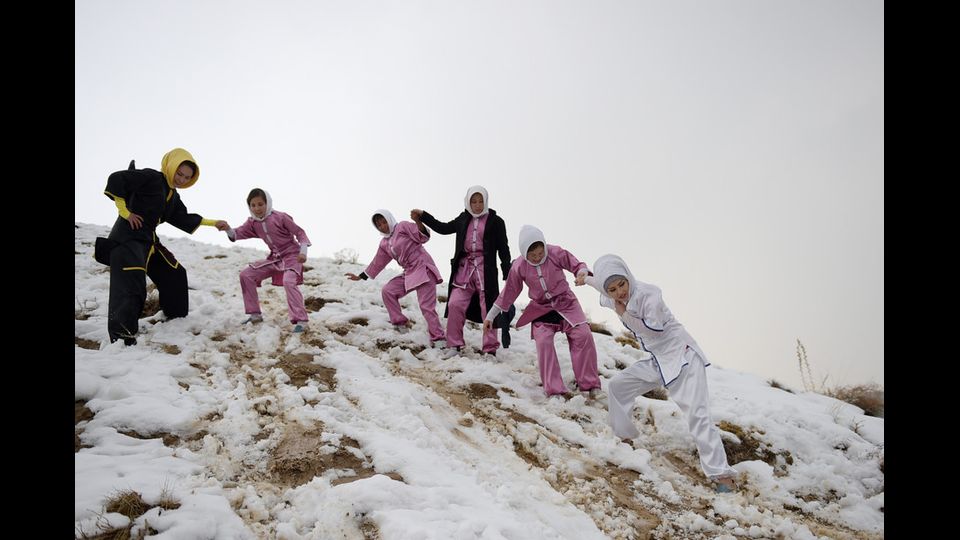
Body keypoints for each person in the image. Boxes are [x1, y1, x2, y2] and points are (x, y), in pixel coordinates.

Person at [577, 254, 739, 492]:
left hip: (682, 356)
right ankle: (624, 439)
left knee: (697, 414)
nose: (619, 291)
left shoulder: (649, 295)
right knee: (618, 386)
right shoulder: (611, 296)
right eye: (611, 289)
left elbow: (655, 329)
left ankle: (722, 475)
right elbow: (597, 282)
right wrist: (585, 278)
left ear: (628, 276)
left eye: (622, 284)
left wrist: (625, 315)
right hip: (658, 361)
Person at [95, 148, 227, 345]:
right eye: (179, 173)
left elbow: (183, 217)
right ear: (170, 166)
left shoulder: (172, 196)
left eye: (186, 177)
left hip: (149, 240)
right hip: (128, 239)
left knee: (174, 273)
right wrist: (125, 212)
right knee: (131, 287)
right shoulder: (151, 177)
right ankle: (123, 339)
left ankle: (175, 318)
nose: (181, 179)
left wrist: (214, 223)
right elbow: (117, 179)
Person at [482, 225, 601, 397]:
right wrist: (491, 316)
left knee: (583, 334)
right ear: (524, 253)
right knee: (543, 340)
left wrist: (581, 272)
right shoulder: (519, 266)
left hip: (566, 302)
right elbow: (508, 292)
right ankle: (555, 390)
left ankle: (590, 386)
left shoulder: (555, 253)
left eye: (540, 253)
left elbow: (576, 264)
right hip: (541, 308)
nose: (537, 258)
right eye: (533, 255)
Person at [412, 186, 513, 356]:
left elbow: (504, 248)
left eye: (481, 201)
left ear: (486, 201)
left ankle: (490, 349)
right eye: (474, 201)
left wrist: (506, 272)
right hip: (464, 270)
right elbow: (443, 228)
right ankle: (454, 344)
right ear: (468, 202)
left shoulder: (496, 221)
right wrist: (423, 216)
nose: (478, 205)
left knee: (488, 308)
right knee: (454, 304)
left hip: (485, 271)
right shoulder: (462, 219)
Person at [345, 210, 446, 346]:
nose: (382, 226)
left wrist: (418, 221)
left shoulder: (402, 227)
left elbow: (422, 236)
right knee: (388, 291)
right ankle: (400, 323)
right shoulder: (384, 243)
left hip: (423, 268)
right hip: (409, 272)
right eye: (379, 224)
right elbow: (378, 262)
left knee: (426, 306)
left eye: (384, 221)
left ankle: (438, 338)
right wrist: (360, 276)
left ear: (389, 219)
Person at [224, 188, 311, 333]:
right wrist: (227, 228)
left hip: (293, 256)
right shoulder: (252, 222)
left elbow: (300, 232)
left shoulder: (281, 217)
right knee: (246, 275)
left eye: (260, 204)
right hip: (275, 259)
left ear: (267, 203)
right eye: (253, 205)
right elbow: (237, 233)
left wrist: (303, 251)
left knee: (289, 282)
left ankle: (302, 320)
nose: (257, 208)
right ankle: (255, 314)